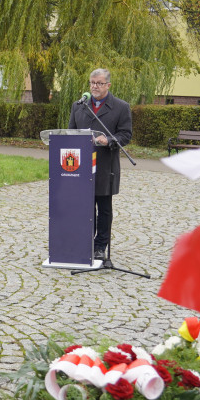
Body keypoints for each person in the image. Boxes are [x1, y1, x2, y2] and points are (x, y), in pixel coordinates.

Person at [67, 68, 132, 260]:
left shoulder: (121, 107)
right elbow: (71, 133)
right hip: (81, 166)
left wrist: (109, 140)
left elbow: (126, 134)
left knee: (103, 208)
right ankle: (84, 241)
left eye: (99, 83)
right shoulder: (78, 106)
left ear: (108, 85)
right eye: (92, 83)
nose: (95, 86)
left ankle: (100, 246)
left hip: (105, 166)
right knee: (85, 207)